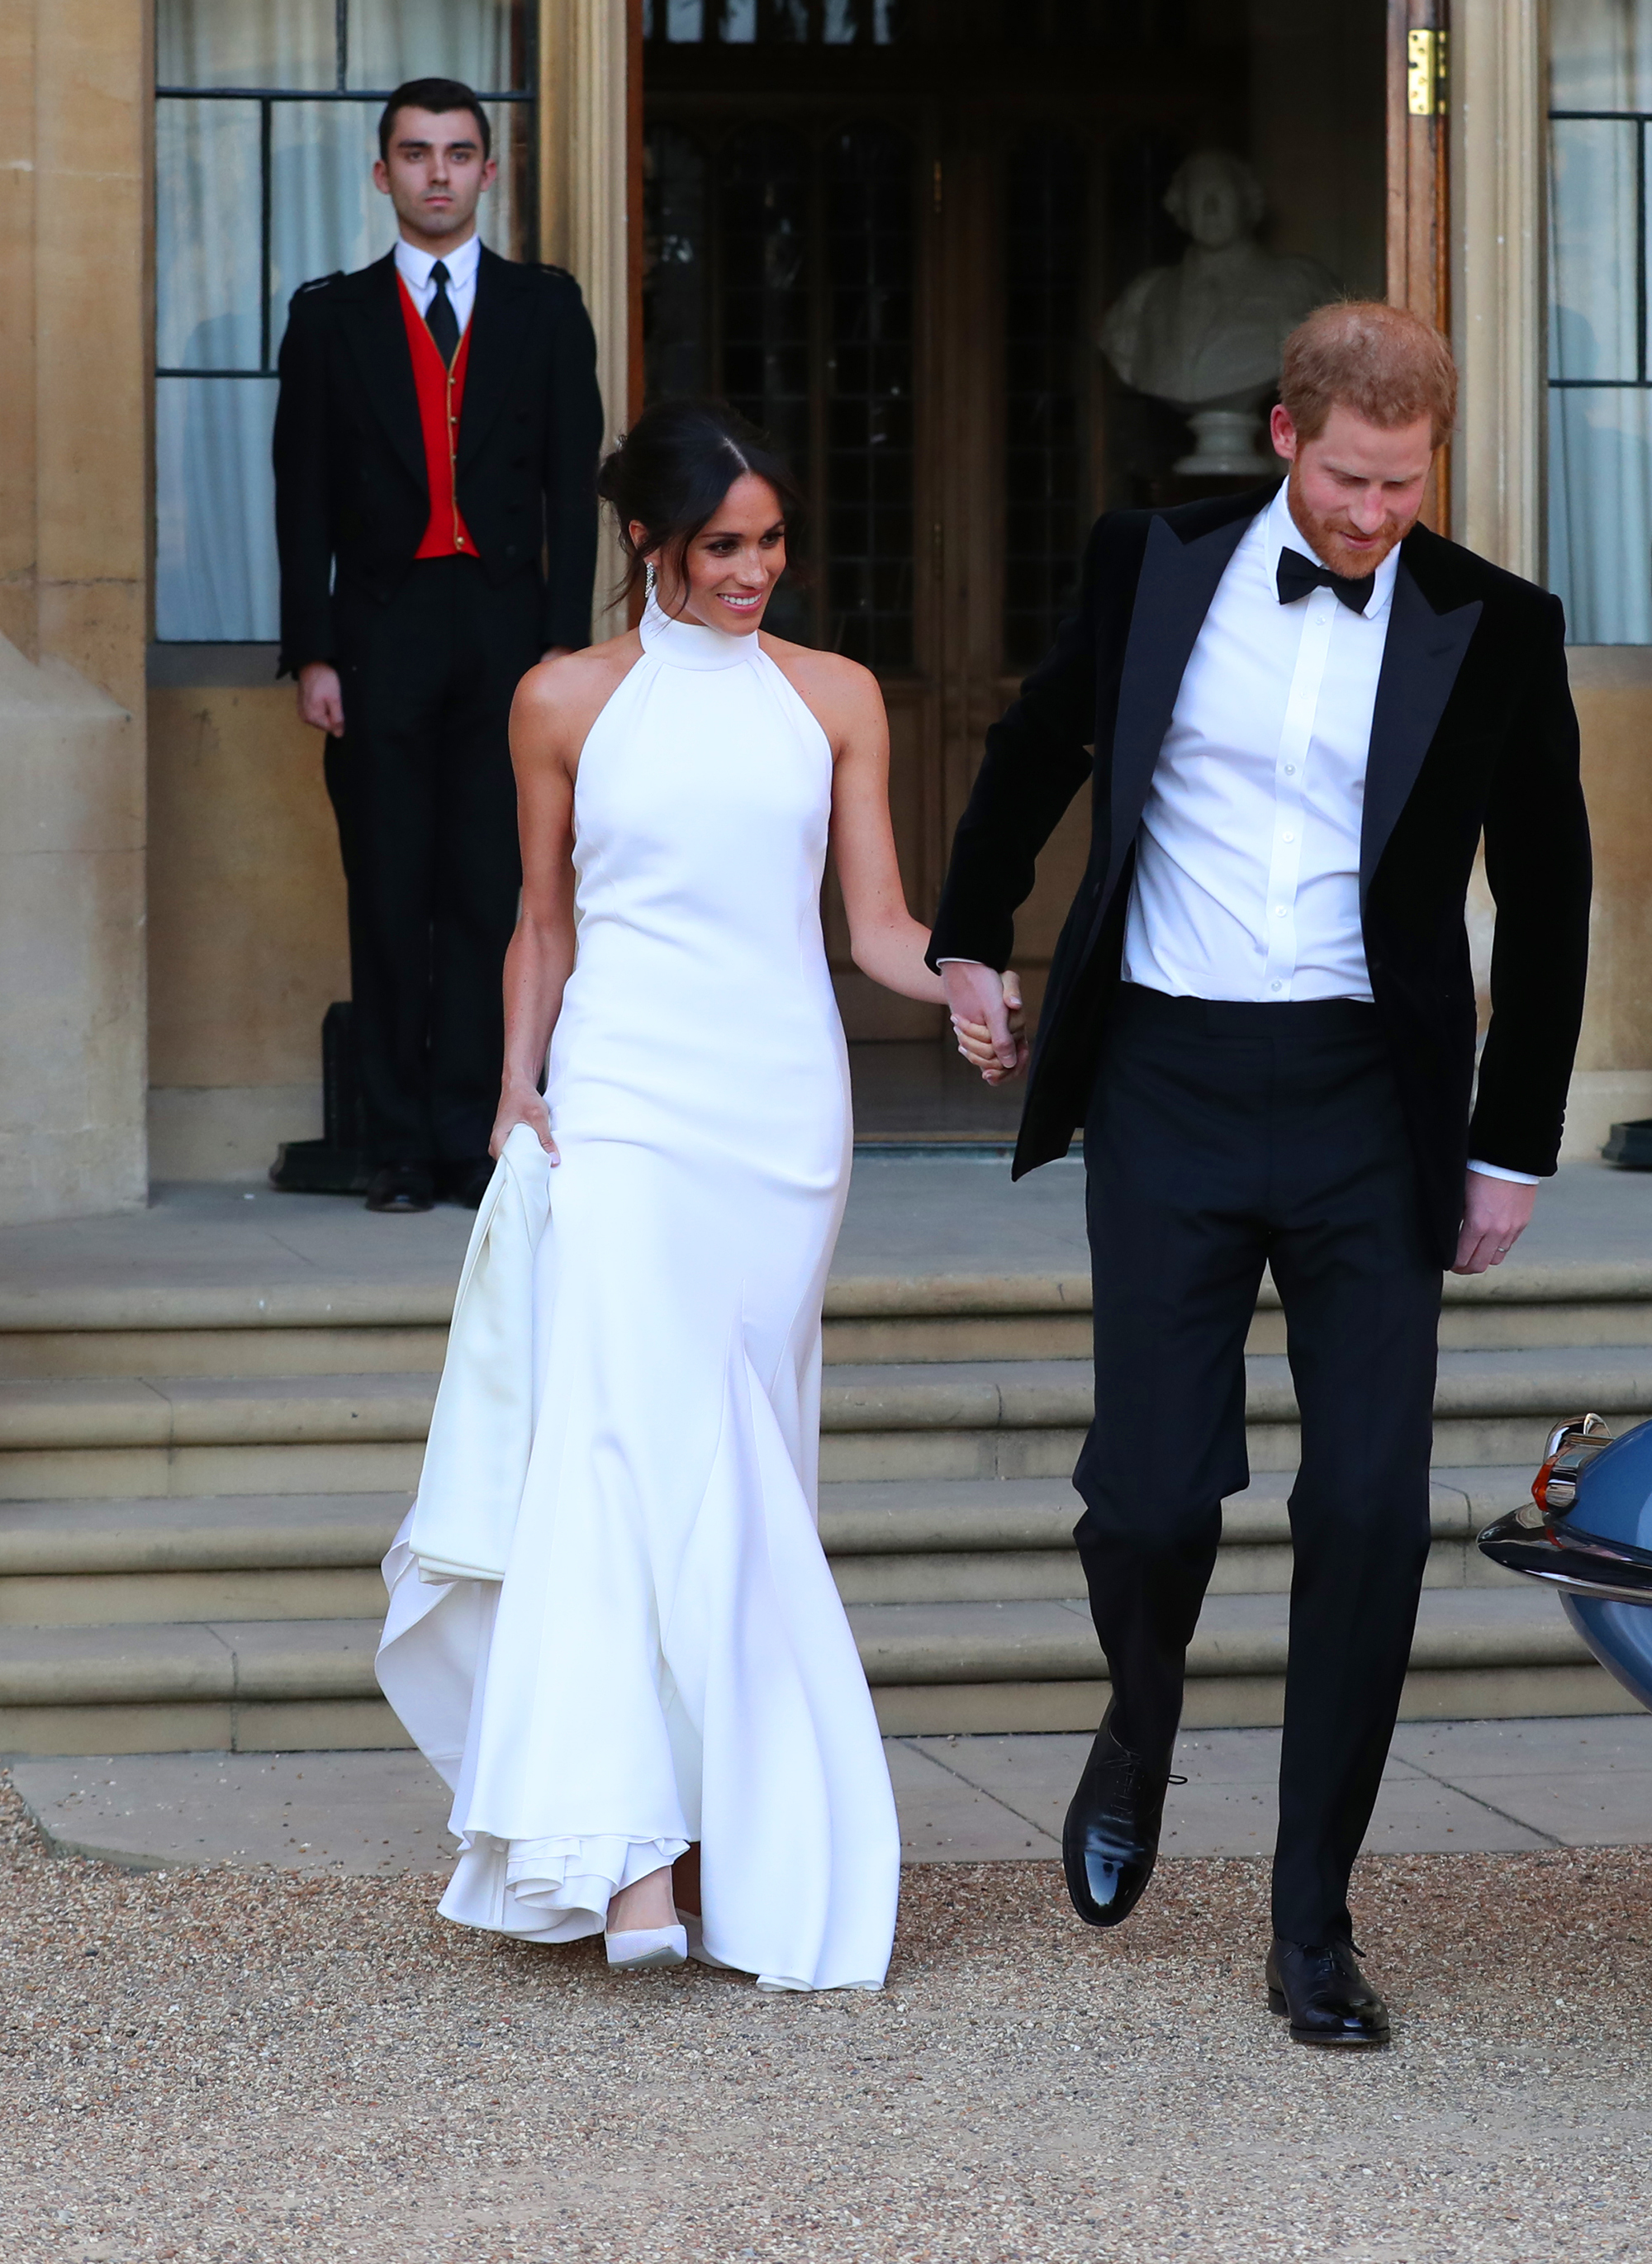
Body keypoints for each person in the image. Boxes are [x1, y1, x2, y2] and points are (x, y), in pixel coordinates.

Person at [939, 301, 1591, 2048]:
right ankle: (1137, 1726)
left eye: (1408, 480)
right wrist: (964, 940)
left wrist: (1508, 1147)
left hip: (1371, 1106)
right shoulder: (1152, 560)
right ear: (1287, 435)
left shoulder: (1495, 626)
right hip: (1164, 1073)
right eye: (1355, 476)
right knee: (1150, 1499)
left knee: (1368, 1513)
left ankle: (1313, 1925)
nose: (1380, 512)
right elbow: (1037, 741)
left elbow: (1546, 894)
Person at [377, 400, 1020, 1988]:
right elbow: (544, 918)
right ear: (650, 547)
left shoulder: (839, 697)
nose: (756, 570)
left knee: (746, 1455)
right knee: (618, 1447)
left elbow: (869, 921)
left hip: (781, 1114)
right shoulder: (564, 699)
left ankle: (716, 1811)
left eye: (773, 541)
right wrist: (520, 1084)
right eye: (724, 545)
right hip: (625, 1101)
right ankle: (635, 1858)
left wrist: (954, 979)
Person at [273, 77, 604, 1215]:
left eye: (459, 153)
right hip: (378, 630)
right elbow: (299, 497)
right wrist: (311, 651)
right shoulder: (330, 316)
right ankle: (398, 1145)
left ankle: (477, 1129)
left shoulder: (546, 310)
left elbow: (574, 486)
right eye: (415, 154)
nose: (438, 173)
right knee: (387, 888)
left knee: (491, 887)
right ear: (383, 174)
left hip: (508, 632)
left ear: (488, 171)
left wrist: (567, 650)